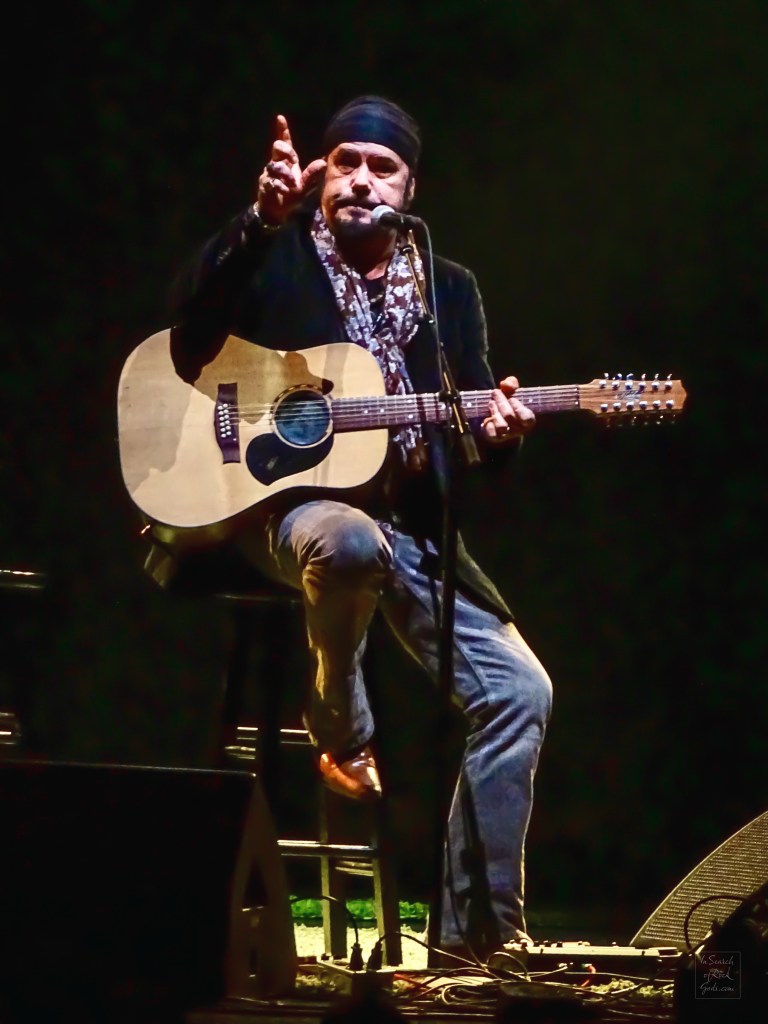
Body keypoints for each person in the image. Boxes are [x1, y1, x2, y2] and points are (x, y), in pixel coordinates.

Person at [161, 96, 553, 958]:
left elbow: (475, 414)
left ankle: (477, 939)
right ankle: (340, 724)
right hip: (282, 507)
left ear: (409, 188)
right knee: (344, 540)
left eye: (381, 167)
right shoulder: (280, 257)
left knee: (522, 693)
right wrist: (257, 221)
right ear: (318, 177)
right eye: (344, 163)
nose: (359, 180)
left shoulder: (449, 290)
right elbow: (188, 337)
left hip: (408, 525)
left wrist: (494, 436)